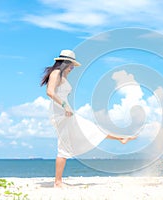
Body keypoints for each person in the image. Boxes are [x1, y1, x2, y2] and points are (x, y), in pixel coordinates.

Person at [40, 49, 137, 188]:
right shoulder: (56, 73)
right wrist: (64, 106)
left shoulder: (61, 75)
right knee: (64, 145)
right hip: (60, 112)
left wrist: (66, 107)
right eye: (72, 65)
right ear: (66, 63)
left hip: (66, 111)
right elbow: (49, 92)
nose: (72, 68)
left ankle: (121, 138)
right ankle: (58, 182)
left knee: (90, 129)